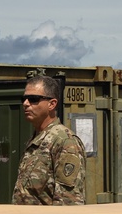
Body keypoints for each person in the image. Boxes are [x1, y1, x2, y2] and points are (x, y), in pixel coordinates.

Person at [12, 75, 86, 205]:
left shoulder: (65, 142)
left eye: (33, 99)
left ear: (52, 104)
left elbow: (68, 203)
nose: (25, 104)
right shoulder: (37, 139)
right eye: (24, 99)